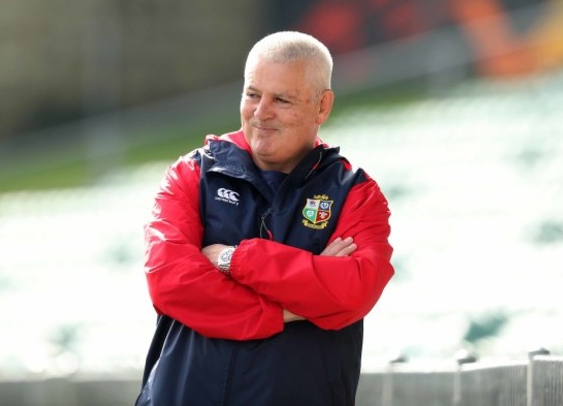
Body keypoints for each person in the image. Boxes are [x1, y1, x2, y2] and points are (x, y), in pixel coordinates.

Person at [134, 31, 394, 406]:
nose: (260, 112)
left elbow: (353, 289)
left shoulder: (355, 193)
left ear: (322, 107)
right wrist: (292, 307)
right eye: (252, 94)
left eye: (281, 99)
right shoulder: (191, 174)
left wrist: (233, 259)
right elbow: (170, 282)